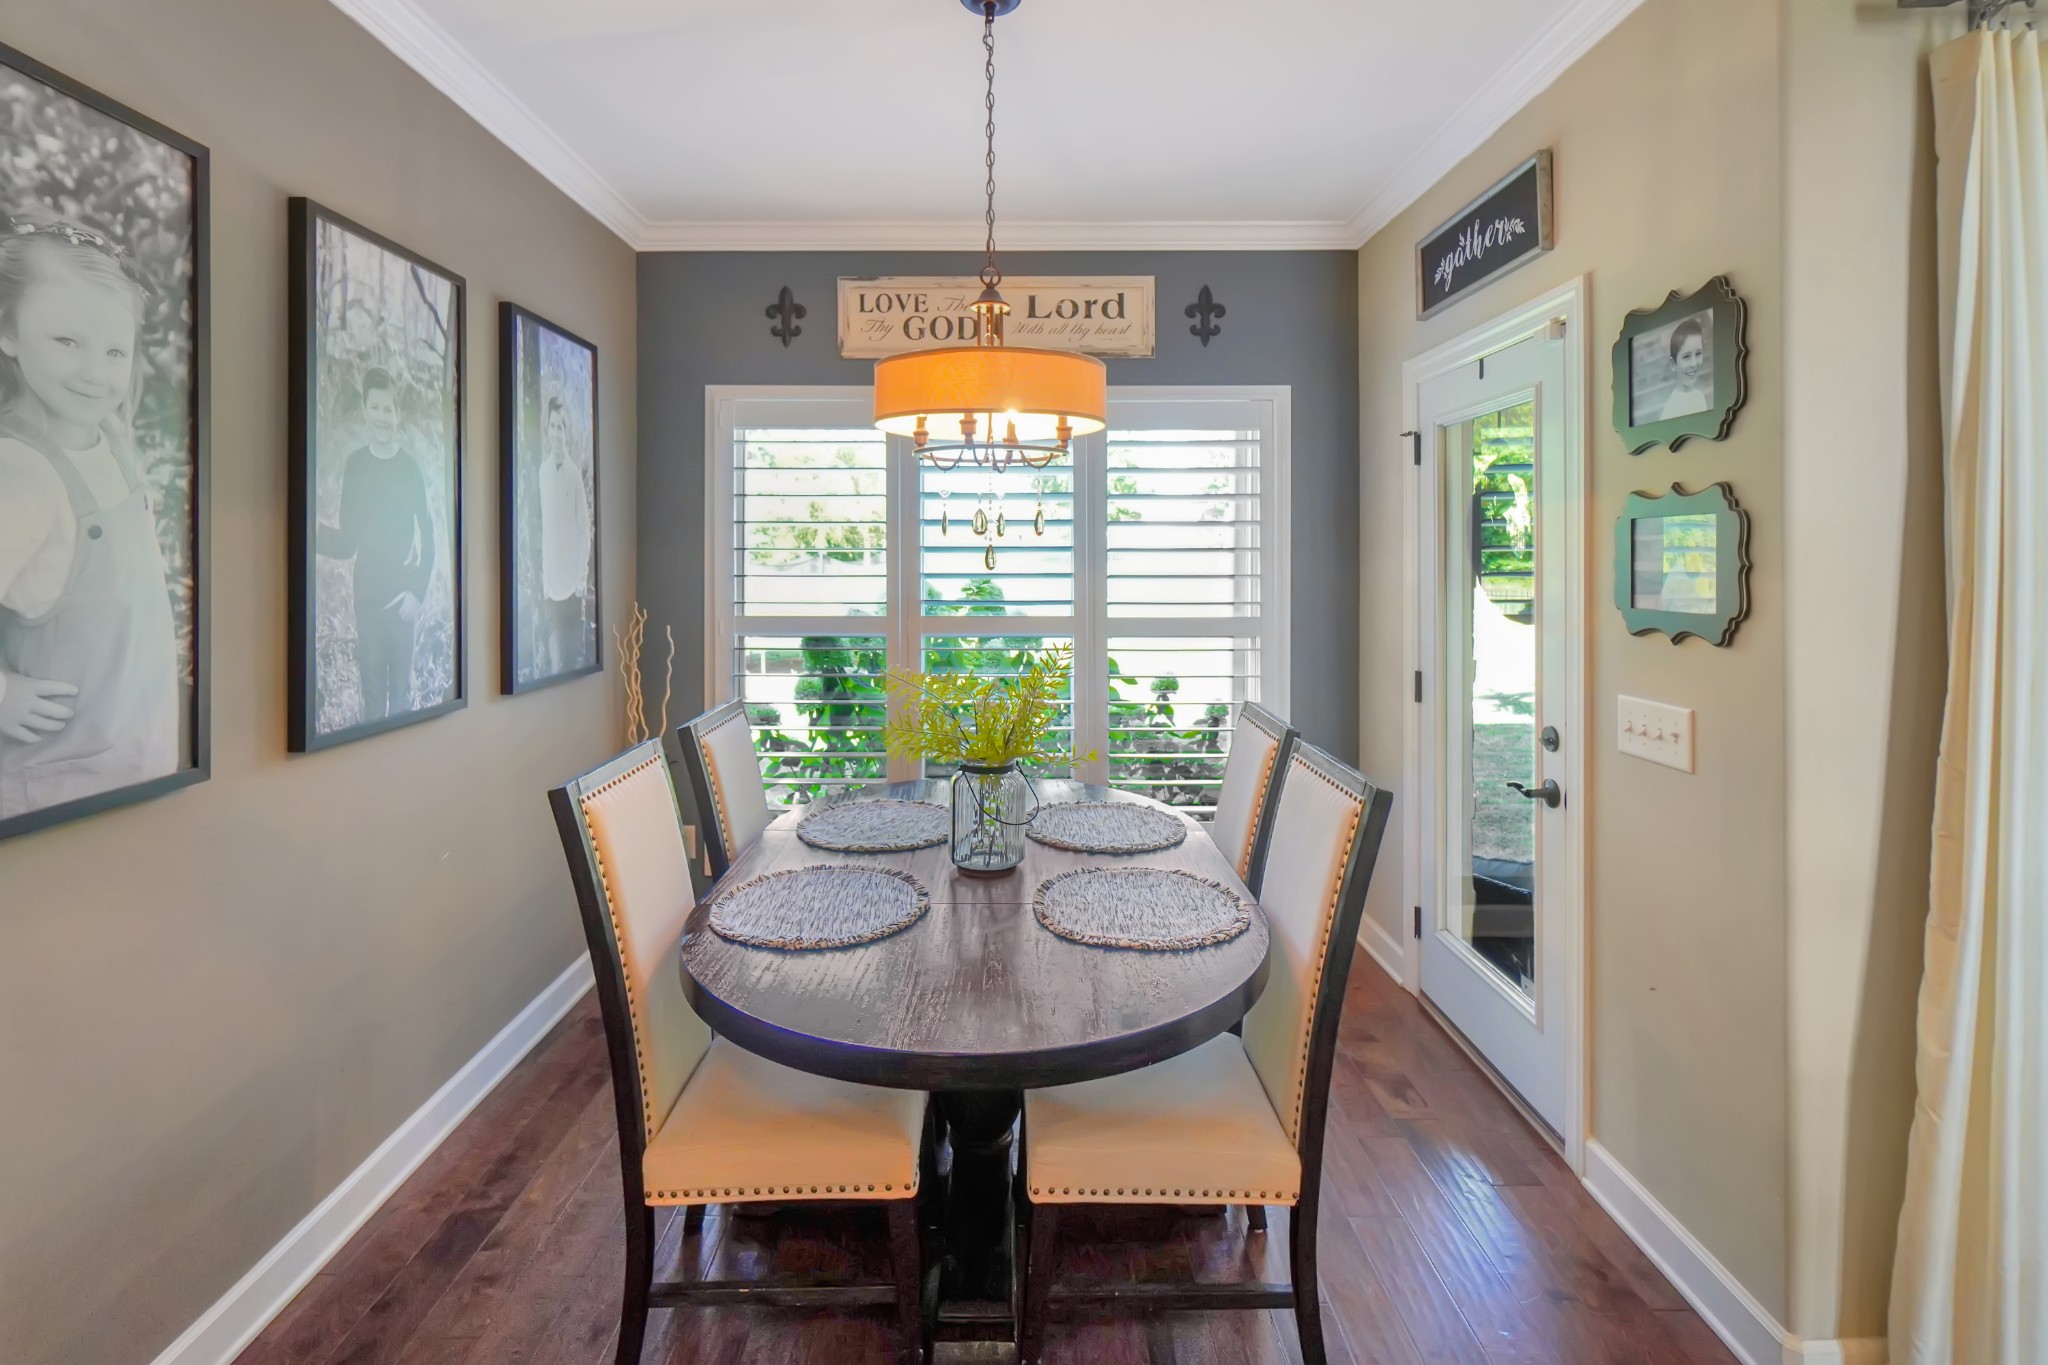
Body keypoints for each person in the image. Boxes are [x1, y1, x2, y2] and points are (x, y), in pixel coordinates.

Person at [0, 207, 180, 820]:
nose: (95, 374)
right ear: (8, 333)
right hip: (57, 787)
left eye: (114, 351)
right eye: (67, 342)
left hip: (133, 761)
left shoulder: (109, 439)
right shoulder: (21, 468)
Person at [316, 367, 435, 722]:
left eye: (388, 409)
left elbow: (429, 536)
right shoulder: (355, 465)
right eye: (375, 408)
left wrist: (417, 594)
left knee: (400, 707)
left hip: (402, 607)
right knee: (372, 708)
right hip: (367, 603)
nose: (382, 417)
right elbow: (347, 542)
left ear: (397, 413)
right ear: (365, 410)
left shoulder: (410, 469)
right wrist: (311, 531)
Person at [535, 393, 592, 675]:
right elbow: (542, 529)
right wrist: (544, 580)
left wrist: (580, 580)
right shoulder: (542, 473)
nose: (557, 433)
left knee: (570, 665)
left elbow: (584, 531)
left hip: (572, 590)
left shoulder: (573, 476)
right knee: (555, 665)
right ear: (547, 430)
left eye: (561, 427)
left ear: (566, 433)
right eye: (553, 426)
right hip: (550, 591)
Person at [1656, 317, 1712, 421]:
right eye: (1686, 356)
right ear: (1673, 364)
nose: (1694, 363)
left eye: (1698, 354)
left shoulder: (1698, 395)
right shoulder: (1670, 413)